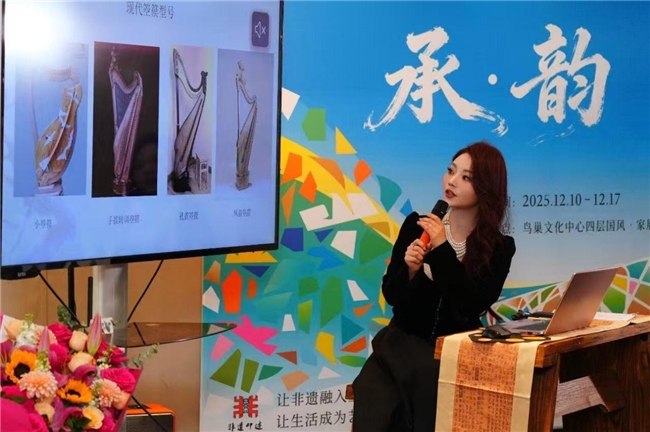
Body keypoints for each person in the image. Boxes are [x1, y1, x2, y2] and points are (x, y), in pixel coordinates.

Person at [351, 141, 516, 431]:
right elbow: (392, 294)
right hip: (401, 346)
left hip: (456, 352)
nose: (452, 181)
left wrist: (441, 248)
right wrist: (411, 271)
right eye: (451, 171)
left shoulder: (499, 247)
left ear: (486, 188)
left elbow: (471, 303)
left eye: (466, 177)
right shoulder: (417, 226)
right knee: (379, 398)